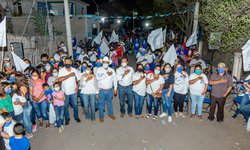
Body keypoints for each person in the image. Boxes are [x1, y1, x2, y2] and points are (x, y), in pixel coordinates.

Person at [58, 57, 81, 125]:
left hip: (73, 91)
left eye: (69, 62)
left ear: (71, 63)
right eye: (66, 62)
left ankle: (76, 117)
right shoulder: (61, 70)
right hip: (65, 92)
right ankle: (67, 118)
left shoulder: (74, 70)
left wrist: (77, 87)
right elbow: (59, 80)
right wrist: (69, 75)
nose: (67, 63)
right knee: (65, 106)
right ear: (64, 63)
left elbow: (78, 79)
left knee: (75, 105)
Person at [96, 56, 117, 122]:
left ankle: (111, 114)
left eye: (106, 62)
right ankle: (101, 116)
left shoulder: (112, 70)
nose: (105, 63)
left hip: (110, 90)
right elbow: (98, 79)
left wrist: (115, 88)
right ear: (102, 63)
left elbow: (115, 79)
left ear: (108, 63)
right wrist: (107, 74)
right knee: (101, 104)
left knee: (109, 103)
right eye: (104, 62)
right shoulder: (99, 70)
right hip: (101, 90)